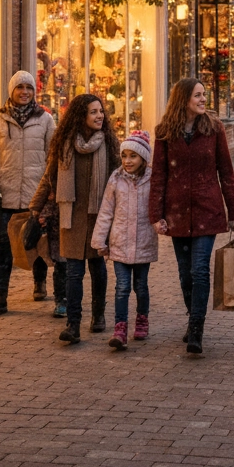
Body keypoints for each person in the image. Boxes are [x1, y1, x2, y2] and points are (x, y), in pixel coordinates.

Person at [150, 78, 234, 355]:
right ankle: (193, 317)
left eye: (204, 95)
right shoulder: (165, 132)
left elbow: (225, 171)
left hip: (206, 209)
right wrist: (156, 214)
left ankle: (197, 329)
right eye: (198, 95)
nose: (203, 100)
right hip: (177, 212)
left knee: (199, 269)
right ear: (183, 99)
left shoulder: (214, 129)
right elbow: (159, 176)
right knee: (185, 273)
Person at [30, 93, 120, 344]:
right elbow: (49, 177)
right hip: (69, 216)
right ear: (81, 115)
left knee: (97, 268)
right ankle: (73, 324)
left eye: (101, 111)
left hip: (98, 216)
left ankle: (99, 315)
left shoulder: (110, 144)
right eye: (93, 112)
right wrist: (35, 208)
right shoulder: (65, 143)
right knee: (73, 272)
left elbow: (119, 181)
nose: (99, 115)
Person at [0, 71, 56, 316]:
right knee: (5, 244)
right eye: (19, 87)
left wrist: (50, 193)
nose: (24, 92)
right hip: (6, 195)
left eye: (29, 87)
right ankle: (0, 296)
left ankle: (39, 281)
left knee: (38, 241)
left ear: (35, 91)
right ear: (11, 91)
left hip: (36, 195)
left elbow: (53, 158)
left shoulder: (45, 120)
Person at [91, 130, 158, 350]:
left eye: (133, 156)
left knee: (141, 286)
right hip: (118, 243)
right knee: (121, 287)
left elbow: (159, 209)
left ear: (143, 158)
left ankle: (142, 319)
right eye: (124, 156)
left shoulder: (153, 180)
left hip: (143, 243)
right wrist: (100, 240)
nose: (127, 161)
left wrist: (163, 223)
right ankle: (120, 328)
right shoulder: (116, 179)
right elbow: (106, 211)